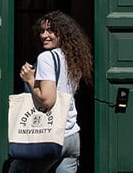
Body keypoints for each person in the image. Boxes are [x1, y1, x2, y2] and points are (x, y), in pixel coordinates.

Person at [13, 10, 93, 173]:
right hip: (72, 135)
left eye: (51, 31)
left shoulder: (46, 58)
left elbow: (48, 100)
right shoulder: (72, 57)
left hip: (50, 135)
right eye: (42, 31)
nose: (44, 35)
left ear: (62, 33)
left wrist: (29, 79)